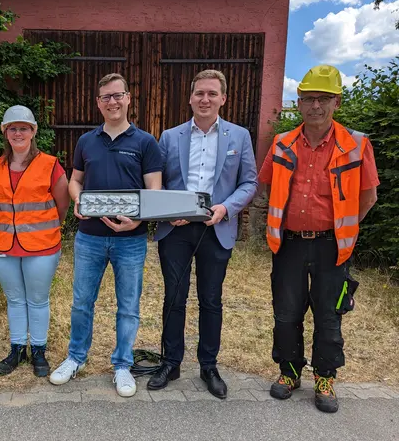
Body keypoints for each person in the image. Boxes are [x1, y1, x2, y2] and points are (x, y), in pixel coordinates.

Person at [258, 64, 379, 413]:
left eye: (323, 99)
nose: (315, 106)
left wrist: (344, 229)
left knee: (328, 315)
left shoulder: (356, 144)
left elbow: (368, 198)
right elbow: (266, 186)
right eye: (309, 98)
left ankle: (325, 377)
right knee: (286, 312)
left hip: (331, 247)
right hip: (289, 244)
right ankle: (290, 372)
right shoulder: (282, 143)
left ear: (337, 102)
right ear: (298, 103)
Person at [49, 73, 162, 398]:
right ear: (98, 103)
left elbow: (154, 190)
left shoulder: (145, 142)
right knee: (82, 303)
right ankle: (75, 358)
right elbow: (75, 181)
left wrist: (137, 219)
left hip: (131, 239)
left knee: (128, 306)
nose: (112, 102)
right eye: (106, 97)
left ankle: (122, 365)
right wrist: (77, 200)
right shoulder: (86, 141)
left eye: (118, 95)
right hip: (90, 237)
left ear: (128, 98)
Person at [149, 70, 258, 398]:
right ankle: (171, 362)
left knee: (211, 299)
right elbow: (158, 180)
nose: (205, 99)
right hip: (177, 229)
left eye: (212, 93)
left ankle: (208, 365)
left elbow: (249, 182)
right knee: (174, 297)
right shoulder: (170, 136)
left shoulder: (239, 137)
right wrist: (172, 209)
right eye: (199, 93)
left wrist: (226, 208)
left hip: (217, 228)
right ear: (190, 98)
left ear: (223, 98)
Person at [0, 105, 69, 377]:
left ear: (33, 131)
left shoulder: (50, 164)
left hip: (41, 245)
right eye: (13, 128)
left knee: (37, 299)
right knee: (14, 299)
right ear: (5, 132)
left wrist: (42, 228)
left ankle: (39, 351)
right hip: (3, 244)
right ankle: (17, 349)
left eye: (24, 128)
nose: (18, 133)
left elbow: (62, 203)